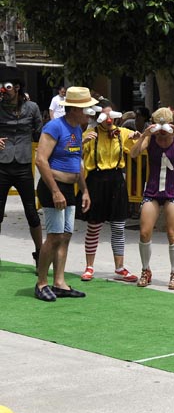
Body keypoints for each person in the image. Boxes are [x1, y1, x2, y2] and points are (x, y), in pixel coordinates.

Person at [34, 86, 96, 302]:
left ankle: (59, 282)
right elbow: (41, 160)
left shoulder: (78, 128)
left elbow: (76, 161)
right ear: (73, 109)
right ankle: (41, 282)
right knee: (54, 236)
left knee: (66, 235)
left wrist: (85, 190)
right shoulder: (54, 127)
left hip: (69, 188)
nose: (88, 112)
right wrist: (55, 191)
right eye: (85, 109)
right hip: (54, 187)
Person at [129, 107, 174, 290]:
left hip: (172, 192)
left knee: (172, 233)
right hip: (152, 192)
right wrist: (144, 135)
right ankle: (145, 270)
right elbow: (133, 154)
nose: (162, 130)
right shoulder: (151, 139)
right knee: (144, 232)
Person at [79, 104, 141, 282]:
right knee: (94, 226)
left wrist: (141, 137)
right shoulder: (89, 134)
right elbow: (75, 156)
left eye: (111, 116)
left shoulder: (122, 133)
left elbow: (136, 152)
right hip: (96, 181)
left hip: (116, 180)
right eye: (104, 116)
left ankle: (120, 268)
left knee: (118, 227)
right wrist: (82, 143)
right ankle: (89, 267)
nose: (108, 120)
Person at [0, 66, 43, 269]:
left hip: (24, 165)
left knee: (31, 213)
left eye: (7, 87)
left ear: (16, 87)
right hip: (2, 165)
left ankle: (40, 254)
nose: (4, 90)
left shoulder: (32, 108)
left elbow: (39, 132)